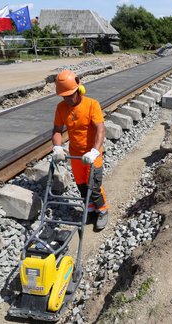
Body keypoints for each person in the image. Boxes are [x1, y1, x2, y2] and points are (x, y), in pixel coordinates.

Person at [52, 70, 109, 231]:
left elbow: (100, 129)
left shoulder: (92, 104)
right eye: (64, 96)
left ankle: (103, 211)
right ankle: (90, 211)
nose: (67, 99)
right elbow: (57, 130)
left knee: (94, 187)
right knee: (82, 186)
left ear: (78, 90)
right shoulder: (61, 108)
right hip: (76, 155)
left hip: (92, 154)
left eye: (70, 95)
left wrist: (95, 151)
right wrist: (57, 146)